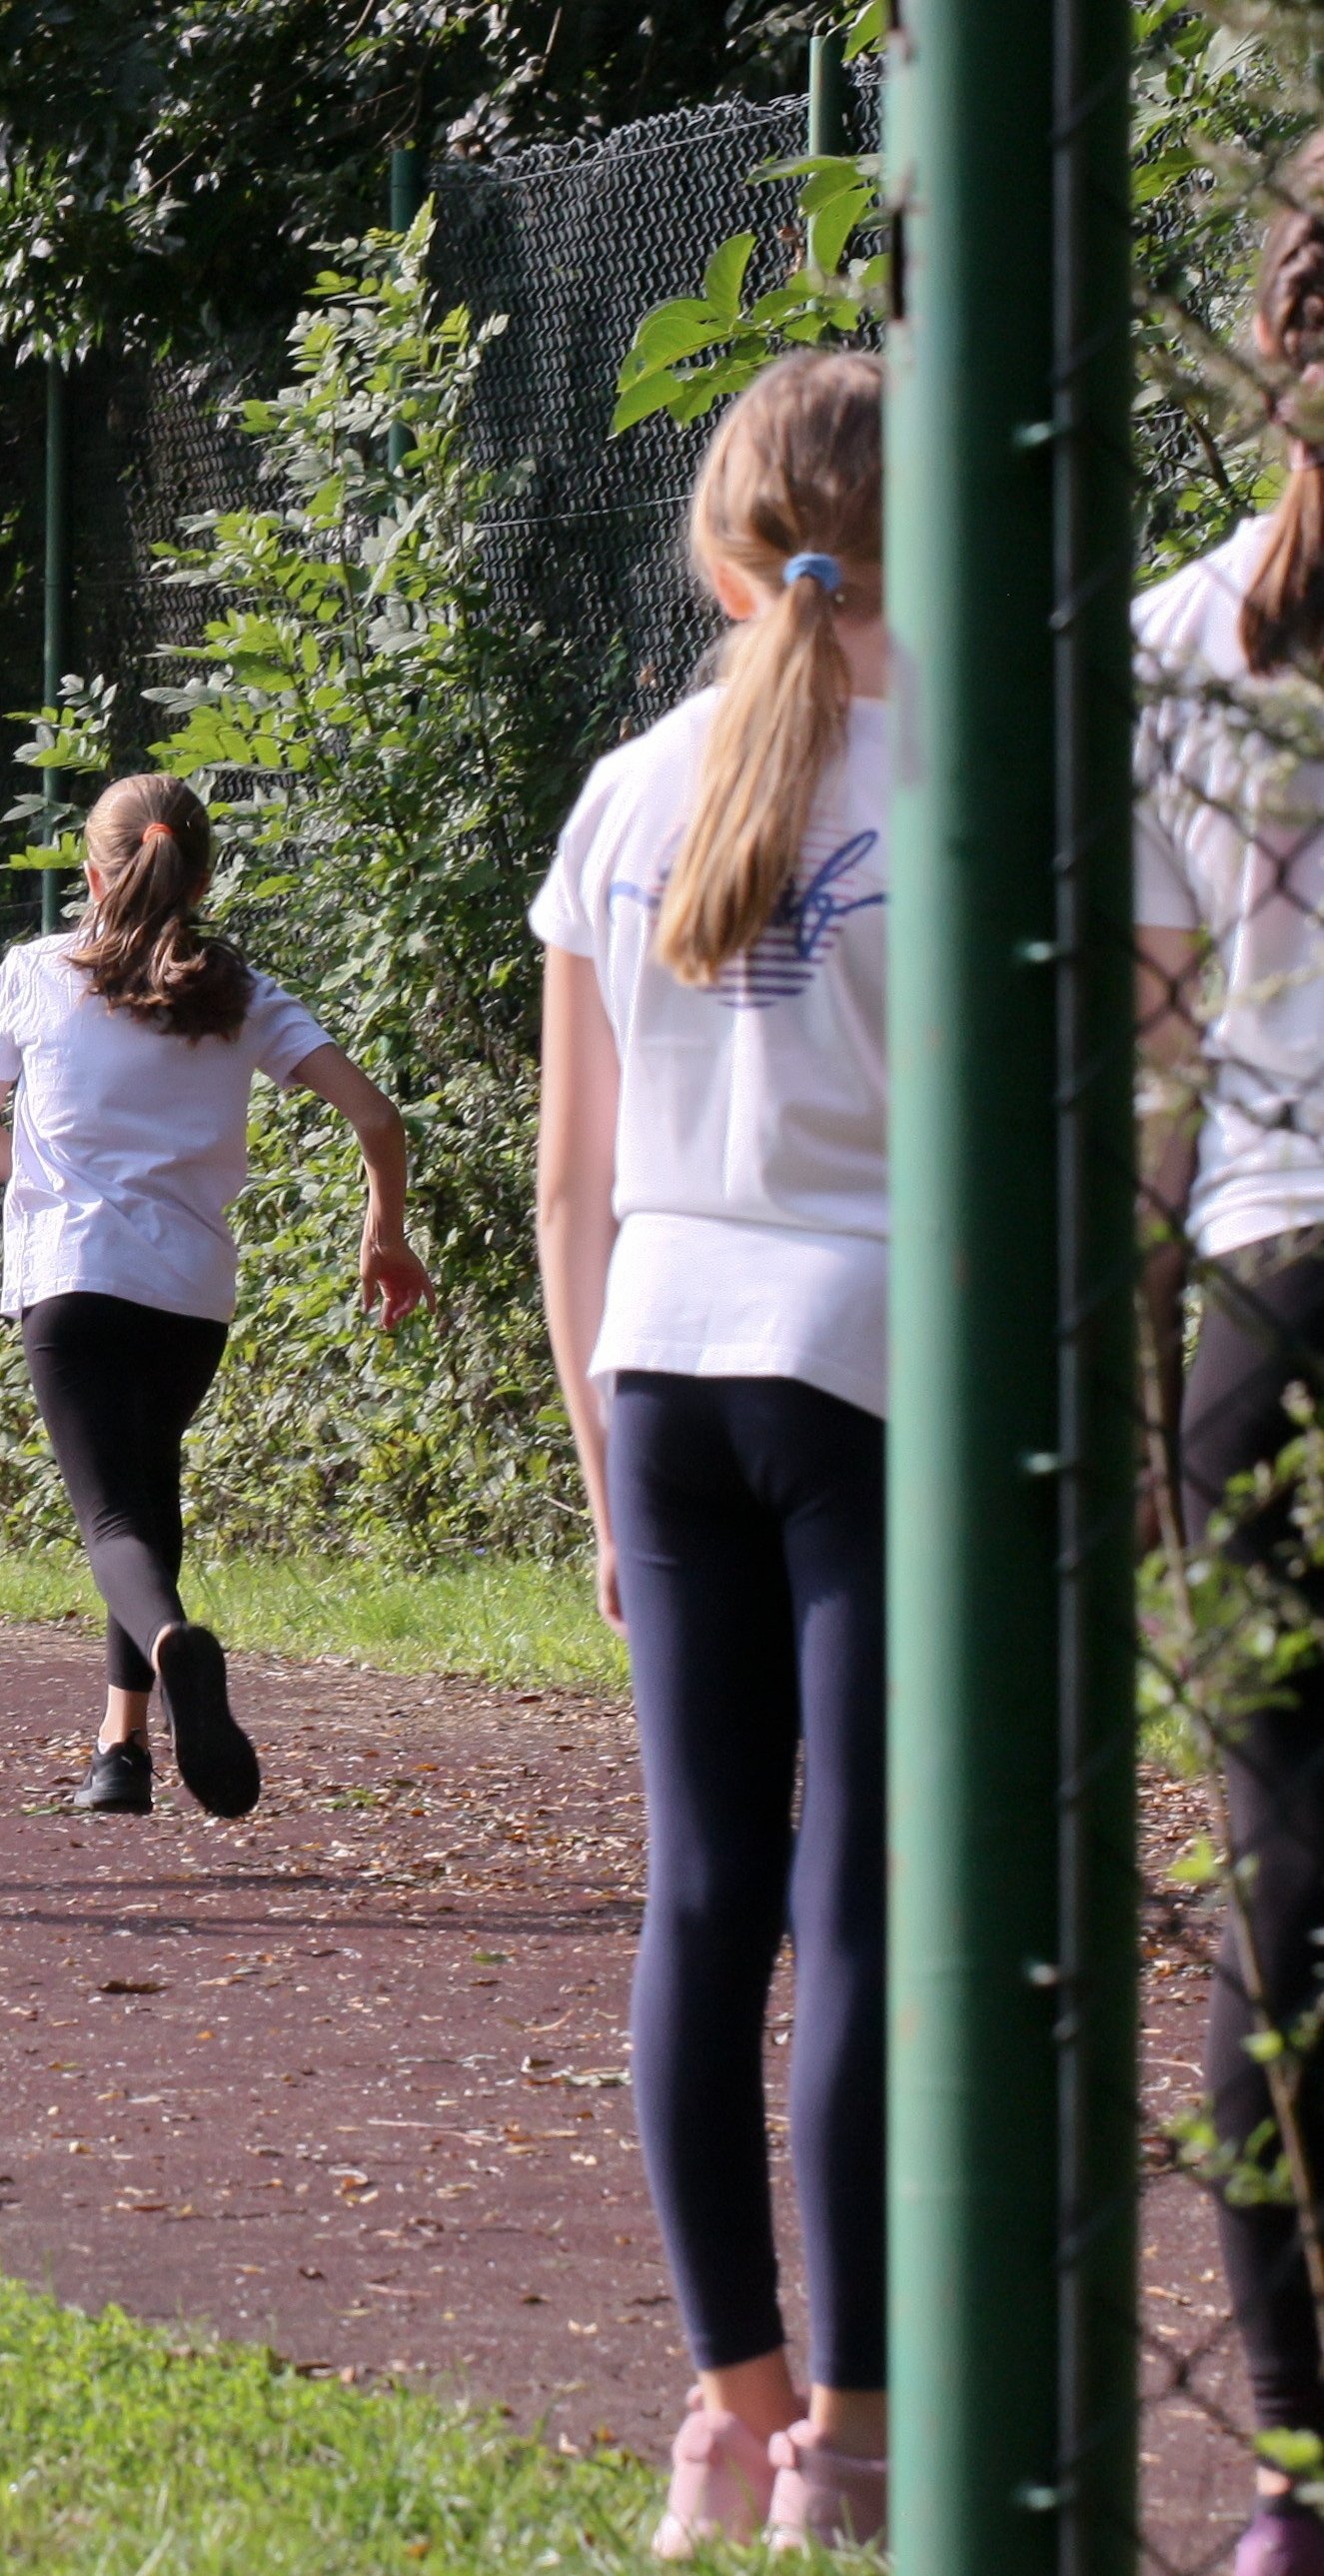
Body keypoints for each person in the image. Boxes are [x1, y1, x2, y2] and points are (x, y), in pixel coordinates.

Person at [531, 349, 891, 2558]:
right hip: (867, 1366)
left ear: (714, 540)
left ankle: (719, 2411)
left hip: (659, 1367)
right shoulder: (957, 762)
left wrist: (589, 1468)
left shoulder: (620, 786)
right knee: (853, 1901)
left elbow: (568, 1188)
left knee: (700, 1898)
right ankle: (842, 2443)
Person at [0, 770, 426, 1822]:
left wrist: (52, 1168)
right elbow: (375, 1117)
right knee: (146, 1499)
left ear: (91, 871)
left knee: (112, 1518)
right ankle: (119, 1753)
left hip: (70, 1282)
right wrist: (381, 1233)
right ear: (199, 877)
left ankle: (171, 1652)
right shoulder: (239, 991)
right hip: (187, 1295)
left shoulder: (33, 970)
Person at [1136, 131, 1324, 2576]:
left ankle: (1291, 2463)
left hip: (1261, 1290)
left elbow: (1149, 1059)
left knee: (1285, 1884)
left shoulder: (1175, 629)